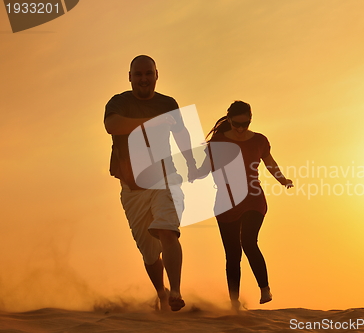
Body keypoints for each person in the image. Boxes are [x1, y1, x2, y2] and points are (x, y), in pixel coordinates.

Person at [104, 55, 197, 312]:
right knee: (149, 254)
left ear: (157, 74)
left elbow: (181, 133)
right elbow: (112, 126)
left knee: (167, 230)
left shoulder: (168, 104)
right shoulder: (119, 102)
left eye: (148, 73)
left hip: (164, 178)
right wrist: (150, 123)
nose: (144, 79)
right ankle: (161, 292)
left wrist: (190, 162)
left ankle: (176, 291)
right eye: (138, 74)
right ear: (130, 76)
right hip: (132, 187)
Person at [198, 101, 293, 310]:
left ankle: (265, 288)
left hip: (253, 198)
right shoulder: (218, 142)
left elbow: (270, 163)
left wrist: (282, 179)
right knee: (233, 255)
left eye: (246, 124)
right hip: (226, 201)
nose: (241, 129)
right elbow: (204, 169)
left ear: (250, 120)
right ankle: (234, 303)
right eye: (237, 124)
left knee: (248, 241)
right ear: (229, 120)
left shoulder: (259, 140)